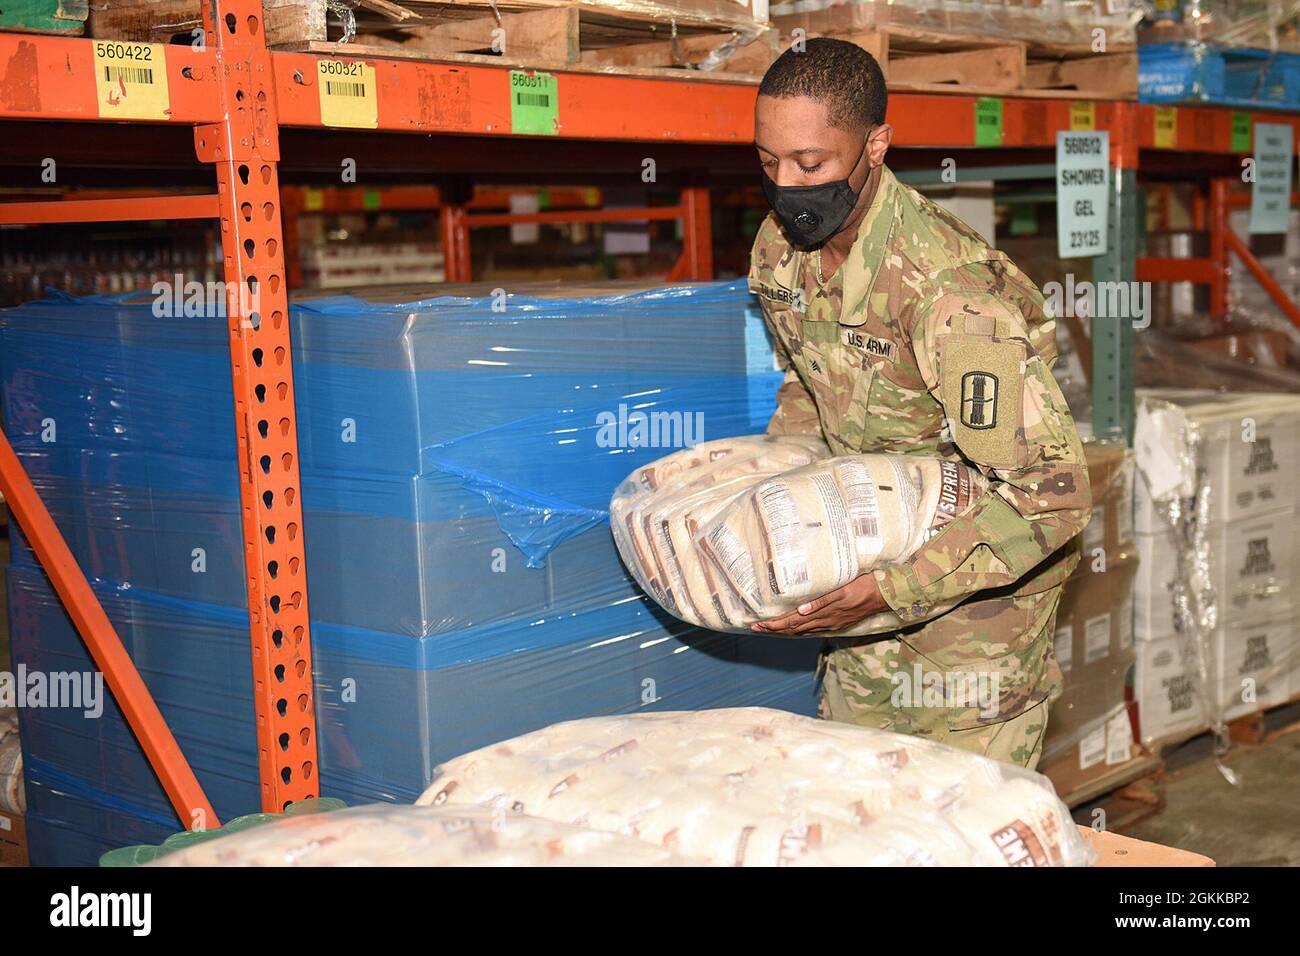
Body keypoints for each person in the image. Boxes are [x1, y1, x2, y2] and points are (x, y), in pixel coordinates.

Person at [747, 38, 1091, 769]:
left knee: (964, 829)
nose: (787, 187)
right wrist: (774, 515)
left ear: (875, 145)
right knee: (861, 818)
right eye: (768, 162)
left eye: (812, 165)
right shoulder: (780, 253)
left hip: (972, 624)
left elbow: (1050, 496)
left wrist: (888, 589)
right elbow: (810, 390)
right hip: (859, 598)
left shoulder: (948, 295)